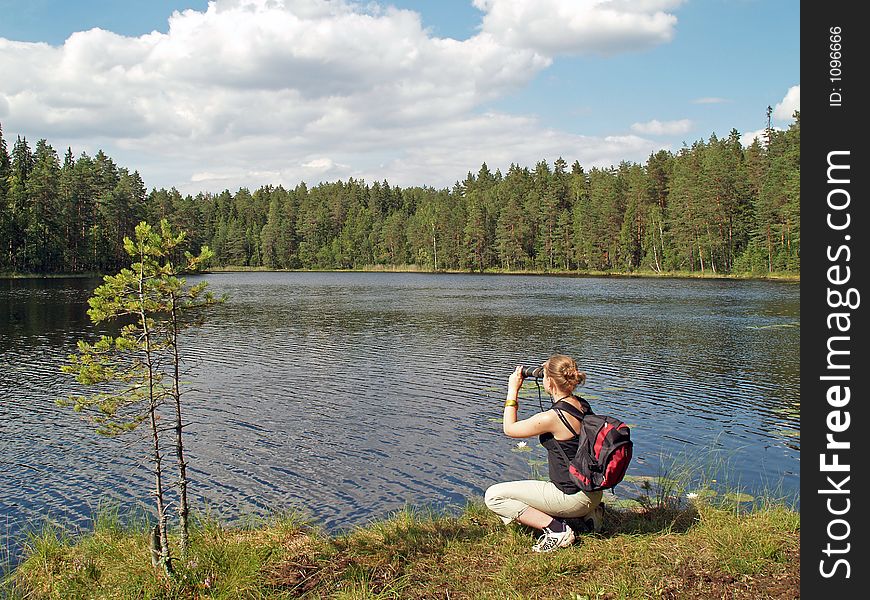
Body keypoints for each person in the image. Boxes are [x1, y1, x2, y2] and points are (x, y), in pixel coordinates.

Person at [484, 354, 604, 553]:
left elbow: (509, 428)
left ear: (548, 381)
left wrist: (513, 390)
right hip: (592, 491)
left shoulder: (553, 417)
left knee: (494, 496)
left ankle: (557, 531)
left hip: (572, 497)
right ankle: (589, 517)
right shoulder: (582, 405)